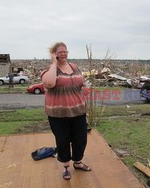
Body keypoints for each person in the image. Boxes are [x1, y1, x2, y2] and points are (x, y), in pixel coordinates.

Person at [41, 42, 91, 180]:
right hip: (59, 115)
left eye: (65, 51)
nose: (63, 54)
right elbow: (50, 83)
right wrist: (53, 62)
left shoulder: (75, 67)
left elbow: (81, 82)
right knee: (63, 141)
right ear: (54, 54)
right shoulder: (49, 70)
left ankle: (78, 162)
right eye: (59, 52)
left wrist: (85, 87)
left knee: (80, 139)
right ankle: (65, 167)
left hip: (78, 111)